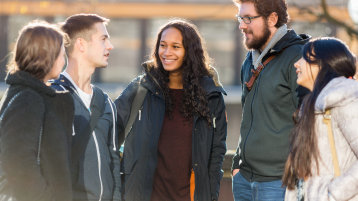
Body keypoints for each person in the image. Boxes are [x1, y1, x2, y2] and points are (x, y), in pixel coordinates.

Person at [115, 19, 227, 201]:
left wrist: (210, 195)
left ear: (189, 52)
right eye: (163, 45)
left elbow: (217, 153)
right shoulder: (141, 89)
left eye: (176, 47)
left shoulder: (211, 95)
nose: (167, 52)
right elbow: (109, 132)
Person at [231, 0, 311, 200]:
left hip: (280, 183)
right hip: (244, 181)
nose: (242, 25)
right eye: (240, 18)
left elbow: (310, 122)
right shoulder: (249, 61)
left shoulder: (299, 58)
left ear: (272, 18)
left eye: (248, 18)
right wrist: (236, 165)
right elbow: (247, 119)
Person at [0, 21, 74, 201]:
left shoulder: (31, 94)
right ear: (46, 56)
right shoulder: (28, 99)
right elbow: (18, 161)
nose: (64, 60)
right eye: (61, 54)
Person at [50, 14, 121, 201]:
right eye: (103, 39)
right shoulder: (52, 96)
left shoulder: (105, 102)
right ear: (81, 44)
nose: (110, 46)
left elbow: (113, 160)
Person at [283, 37, 358, 201]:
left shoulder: (344, 98)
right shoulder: (310, 106)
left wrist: (332, 194)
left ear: (323, 64)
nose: (297, 64)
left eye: (304, 58)